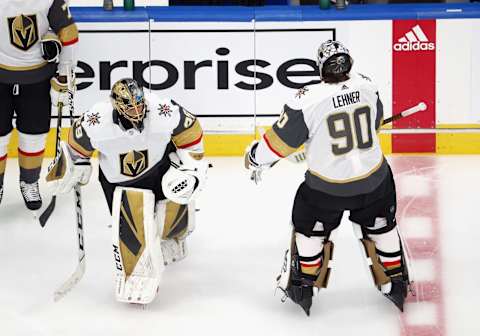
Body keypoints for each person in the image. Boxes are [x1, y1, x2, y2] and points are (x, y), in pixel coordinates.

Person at [245, 40, 410, 316]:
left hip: (328, 190)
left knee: (310, 225)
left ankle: (304, 284)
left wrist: (254, 157)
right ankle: (396, 277)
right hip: (376, 181)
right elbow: (376, 121)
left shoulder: (306, 98)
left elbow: (278, 144)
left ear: (320, 68)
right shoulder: (368, 85)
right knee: (381, 224)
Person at [46, 78, 209, 304]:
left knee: (177, 189)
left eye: (140, 103)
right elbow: (75, 148)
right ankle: (136, 275)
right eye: (130, 107)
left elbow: (190, 129)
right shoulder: (96, 120)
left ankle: (172, 237)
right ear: (117, 106)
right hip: (119, 182)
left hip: (158, 169)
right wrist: (71, 167)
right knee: (132, 217)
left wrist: (192, 165)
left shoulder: (162, 110)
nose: (137, 110)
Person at [0, 0, 79, 210]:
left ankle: (29, 182)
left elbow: (68, 32)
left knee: (34, 135)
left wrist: (64, 73)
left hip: (37, 77)